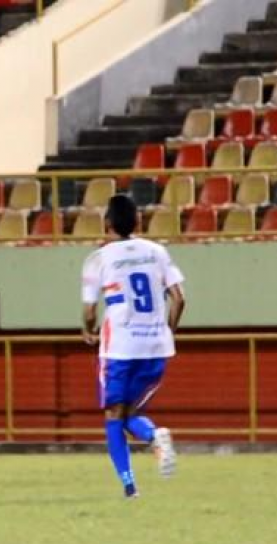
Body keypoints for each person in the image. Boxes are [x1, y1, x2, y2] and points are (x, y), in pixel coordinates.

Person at [81, 194, 185, 499]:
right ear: (138, 222)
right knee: (129, 413)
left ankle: (129, 484)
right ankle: (153, 436)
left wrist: (88, 330)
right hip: (155, 346)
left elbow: (89, 311)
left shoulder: (99, 258)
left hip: (119, 347)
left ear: (107, 223)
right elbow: (179, 299)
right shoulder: (157, 252)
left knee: (114, 415)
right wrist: (167, 331)